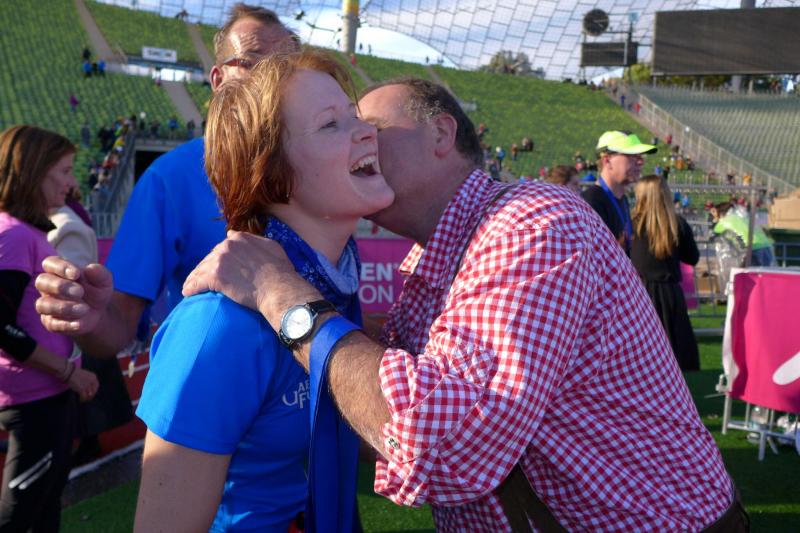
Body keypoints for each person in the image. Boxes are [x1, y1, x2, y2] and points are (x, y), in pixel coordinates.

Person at [181, 78, 745, 531]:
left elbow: (444, 445)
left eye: (372, 126)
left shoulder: (534, 223)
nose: (362, 139)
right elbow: (384, 401)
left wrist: (283, 300)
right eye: (339, 125)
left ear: (441, 132)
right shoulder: (445, 254)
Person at [135, 49, 392, 532]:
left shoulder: (331, 287)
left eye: (354, 115)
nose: (367, 132)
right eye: (330, 124)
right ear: (273, 173)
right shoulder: (219, 325)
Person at [35, 3, 300, 359]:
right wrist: (87, 316)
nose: (271, 80)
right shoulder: (170, 179)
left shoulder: (326, 167)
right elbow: (117, 326)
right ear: (218, 80)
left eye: (285, 68)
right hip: (215, 388)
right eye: (252, 62)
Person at [0, 125, 98, 532]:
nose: (71, 183)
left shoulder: (25, 232)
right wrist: (68, 372)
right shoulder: (13, 235)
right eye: (64, 170)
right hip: (34, 399)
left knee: (45, 509)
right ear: (35, 172)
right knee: (20, 517)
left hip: (47, 396)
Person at [630, 175, 701, 371]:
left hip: (639, 293)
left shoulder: (632, 224)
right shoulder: (676, 224)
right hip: (669, 294)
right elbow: (692, 257)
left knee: (641, 350)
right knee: (674, 349)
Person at [582, 130, 656, 255]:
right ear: (607, 160)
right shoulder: (591, 201)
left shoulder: (623, 199)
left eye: (641, 157)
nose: (640, 162)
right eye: (632, 156)